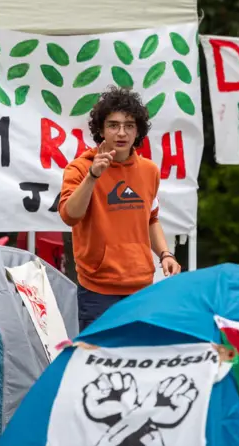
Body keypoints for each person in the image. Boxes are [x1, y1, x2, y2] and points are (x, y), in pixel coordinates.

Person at [59, 86, 182, 329]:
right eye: (113, 125)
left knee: (138, 359)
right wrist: (93, 176)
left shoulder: (149, 170)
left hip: (142, 287)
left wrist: (166, 254)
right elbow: (70, 216)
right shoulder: (81, 168)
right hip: (97, 291)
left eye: (129, 125)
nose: (121, 132)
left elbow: (152, 219)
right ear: (101, 130)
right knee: (98, 362)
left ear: (138, 131)